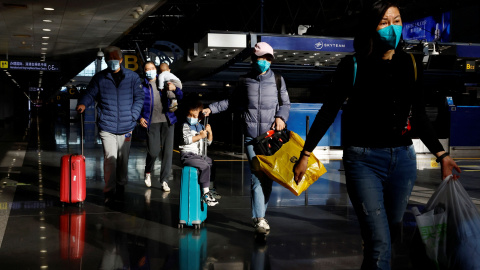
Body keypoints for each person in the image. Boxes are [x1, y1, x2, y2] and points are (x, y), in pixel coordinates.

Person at [293, 1, 461, 269]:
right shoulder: (353, 65)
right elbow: (327, 111)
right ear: (371, 27)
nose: (392, 28)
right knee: (380, 243)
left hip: (403, 162)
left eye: (397, 21)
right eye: (384, 22)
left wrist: (441, 155)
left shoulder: (411, 63)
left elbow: (418, 115)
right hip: (363, 160)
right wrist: (305, 154)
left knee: (390, 235)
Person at [203, 42, 291, 233]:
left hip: (271, 138)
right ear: (254, 59)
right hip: (252, 137)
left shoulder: (277, 79)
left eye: (268, 59)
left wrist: (280, 117)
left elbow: (285, 103)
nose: (264, 62)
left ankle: (261, 215)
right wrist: (212, 108)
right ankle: (259, 219)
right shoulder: (245, 81)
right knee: (257, 177)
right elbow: (232, 102)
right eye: (261, 58)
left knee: (268, 179)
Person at [76, 46, 144, 205]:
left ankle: (121, 187)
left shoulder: (132, 77)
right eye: (109, 59)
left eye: (115, 58)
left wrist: (133, 116)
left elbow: (139, 98)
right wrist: (83, 104)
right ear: (106, 60)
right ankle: (109, 190)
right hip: (107, 125)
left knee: (123, 160)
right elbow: (90, 93)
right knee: (110, 159)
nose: (112, 61)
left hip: (127, 127)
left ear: (121, 60)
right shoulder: (100, 77)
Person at [139, 61, 183, 192]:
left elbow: (180, 97)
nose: (150, 71)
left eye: (152, 68)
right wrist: (139, 118)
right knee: (153, 152)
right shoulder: (142, 87)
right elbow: (136, 104)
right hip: (151, 122)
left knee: (168, 153)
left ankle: (164, 180)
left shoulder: (165, 81)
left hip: (168, 121)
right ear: (144, 71)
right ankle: (148, 171)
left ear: (156, 70)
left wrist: (175, 89)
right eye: (147, 69)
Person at [179, 100, 219, 206]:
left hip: (199, 155)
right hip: (188, 155)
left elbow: (208, 143)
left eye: (194, 115)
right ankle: (205, 193)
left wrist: (209, 132)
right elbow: (187, 140)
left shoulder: (201, 126)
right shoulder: (185, 125)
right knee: (205, 166)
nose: (191, 117)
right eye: (190, 115)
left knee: (211, 163)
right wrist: (200, 136)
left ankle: (210, 188)